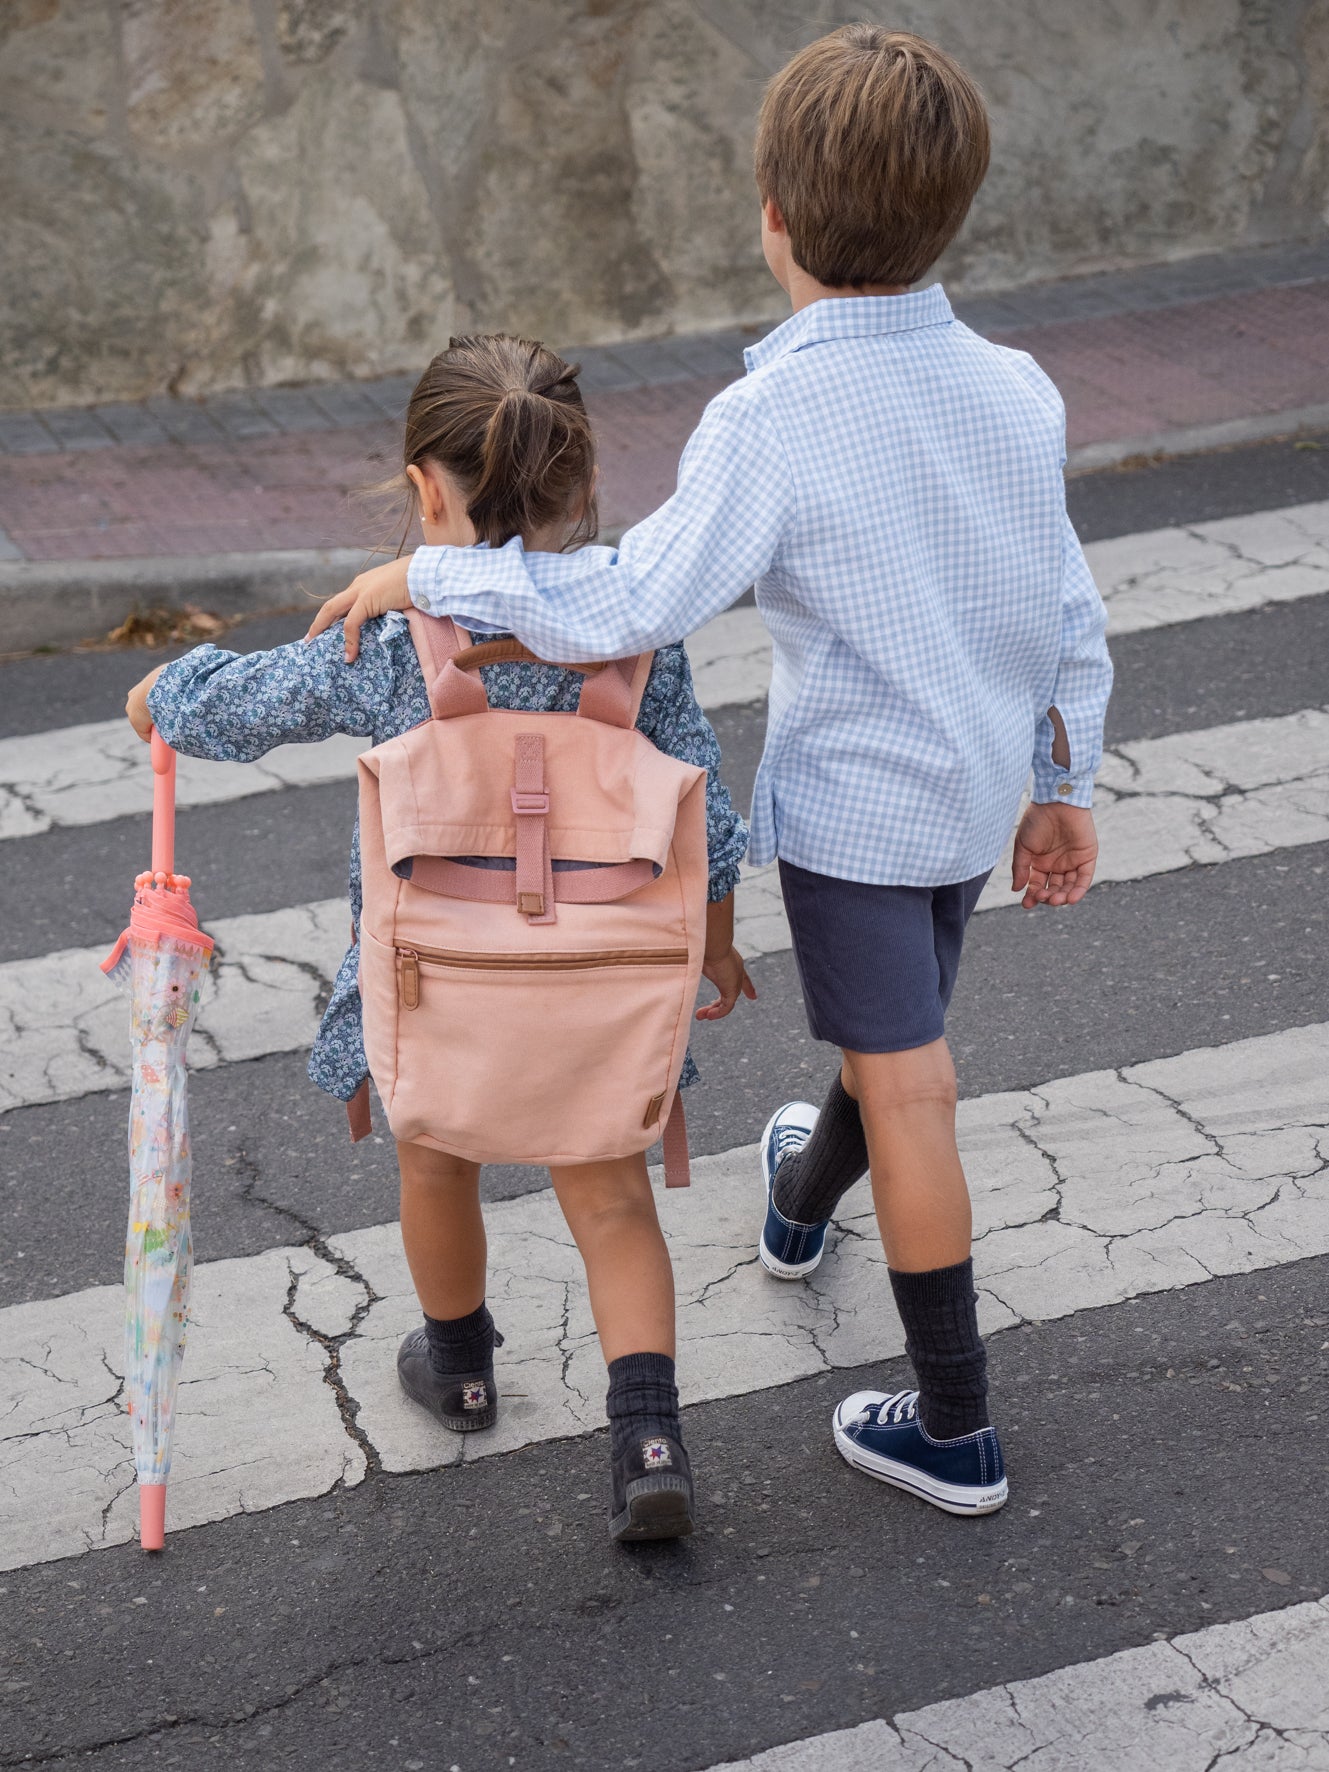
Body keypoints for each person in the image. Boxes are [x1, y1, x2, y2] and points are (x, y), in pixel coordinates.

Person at [308, 27, 1113, 1517]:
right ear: (955, 210)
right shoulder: (1018, 390)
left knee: (912, 1083)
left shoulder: (772, 418)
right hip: (971, 795)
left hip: (860, 813)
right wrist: (1066, 776)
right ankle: (803, 1199)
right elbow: (1067, 601)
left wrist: (430, 574)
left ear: (773, 218)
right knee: (897, 1046)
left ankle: (956, 1428)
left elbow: (628, 604)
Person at [125, 334, 754, 1542]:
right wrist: (714, 949)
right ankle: (650, 1432)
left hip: (437, 998)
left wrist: (167, 695)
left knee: (435, 1157)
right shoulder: (635, 635)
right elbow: (709, 818)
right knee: (613, 1198)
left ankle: (461, 1362)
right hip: (599, 991)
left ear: (424, 489)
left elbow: (252, 703)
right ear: (580, 484)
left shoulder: (393, 637)